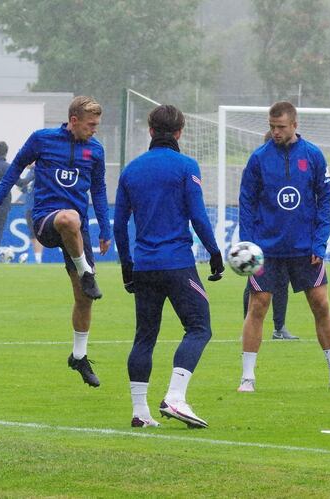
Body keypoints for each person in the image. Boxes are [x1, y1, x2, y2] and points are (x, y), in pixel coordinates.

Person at [0, 96, 111, 387]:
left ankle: (79, 356)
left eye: (97, 125)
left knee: (84, 298)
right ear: (73, 121)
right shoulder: (42, 139)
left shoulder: (95, 150)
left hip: (79, 232)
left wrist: (105, 228)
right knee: (69, 218)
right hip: (46, 219)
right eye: (91, 125)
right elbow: (15, 167)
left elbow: (99, 190)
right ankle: (87, 272)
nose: (95, 130)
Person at [115, 104, 224, 429]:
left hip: (144, 266)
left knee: (144, 336)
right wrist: (214, 252)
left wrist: (126, 265)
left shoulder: (131, 170)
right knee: (199, 327)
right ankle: (175, 397)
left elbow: (120, 224)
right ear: (179, 132)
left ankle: (140, 412)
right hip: (177, 263)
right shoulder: (186, 166)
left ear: (150, 130)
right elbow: (197, 215)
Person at [237, 101, 330, 392]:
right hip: (266, 249)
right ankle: (247, 377)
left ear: (294, 125)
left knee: (321, 304)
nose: (275, 132)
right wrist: (248, 244)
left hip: (305, 248)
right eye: (272, 127)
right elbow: (247, 202)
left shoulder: (313, 155)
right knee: (259, 306)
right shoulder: (259, 158)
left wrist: (320, 242)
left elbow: (326, 199)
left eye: (281, 127)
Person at [242, 130, 296, 340]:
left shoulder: (286, 171)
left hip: (283, 240)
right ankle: (248, 326)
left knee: (282, 283)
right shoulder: (257, 166)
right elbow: (248, 202)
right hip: (261, 239)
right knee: (254, 286)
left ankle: (279, 328)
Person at [17, 167, 43, 264]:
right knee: (32, 233)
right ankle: (36, 257)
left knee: (38, 233)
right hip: (28, 207)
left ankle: (38, 257)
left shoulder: (39, 171)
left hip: (36, 206)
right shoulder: (29, 173)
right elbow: (25, 188)